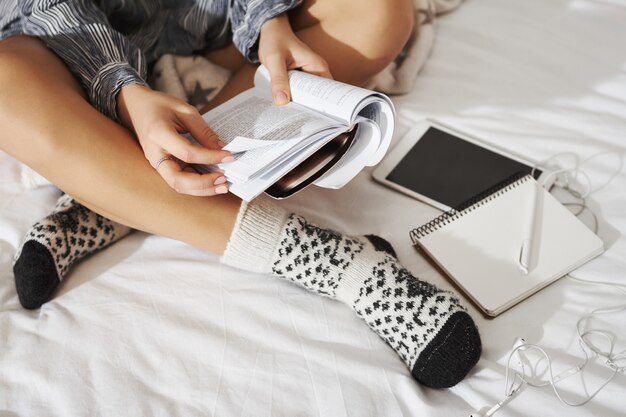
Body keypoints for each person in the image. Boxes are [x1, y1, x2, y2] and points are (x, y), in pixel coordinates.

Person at [0, 0, 481, 388]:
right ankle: (335, 262)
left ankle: (118, 197)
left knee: (379, 12)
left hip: (212, 23)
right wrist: (123, 91)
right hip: (69, 41)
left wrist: (267, 17)